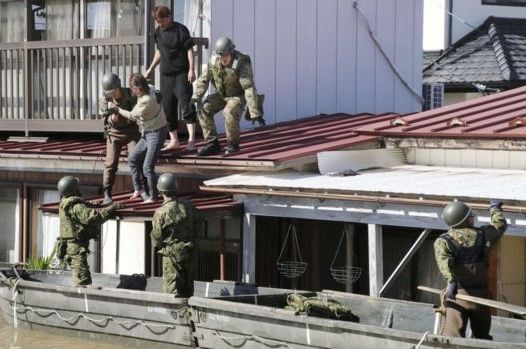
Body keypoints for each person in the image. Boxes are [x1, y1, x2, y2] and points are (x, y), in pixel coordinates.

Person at [434, 200, 507, 339]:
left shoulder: (442, 241)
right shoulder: (484, 235)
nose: (473, 218)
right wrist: (494, 209)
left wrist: (452, 280)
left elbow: (444, 262)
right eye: (471, 215)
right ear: (466, 220)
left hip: (456, 295)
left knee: (452, 338)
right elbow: (499, 224)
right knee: (482, 338)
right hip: (481, 297)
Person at [191, 36, 264, 156]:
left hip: (237, 96)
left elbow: (248, 88)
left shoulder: (241, 63)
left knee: (228, 112)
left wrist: (254, 111)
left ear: (231, 52)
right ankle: (212, 143)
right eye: (220, 56)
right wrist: (195, 97)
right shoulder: (214, 61)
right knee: (204, 109)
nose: (222, 59)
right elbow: (203, 80)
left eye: (225, 56)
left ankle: (233, 144)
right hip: (221, 94)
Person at [144, 5, 197, 152]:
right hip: (165, 75)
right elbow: (160, 51)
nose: (161, 24)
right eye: (158, 22)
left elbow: (189, 50)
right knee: (168, 109)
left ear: (169, 17)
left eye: (163, 21)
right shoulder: (157, 33)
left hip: (181, 73)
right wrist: (150, 69)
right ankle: (174, 141)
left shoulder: (181, 29)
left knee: (187, 106)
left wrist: (191, 70)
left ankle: (192, 140)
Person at [56, 176, 123, 287]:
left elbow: (80, 210)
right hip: (76, 248)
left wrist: (89, 204)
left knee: (80, 276)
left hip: (71, 246)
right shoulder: (76, 206)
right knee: (83, 280)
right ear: (74, 189)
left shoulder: (64, 202)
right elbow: (93, 218)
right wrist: (112, 208)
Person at [116, 73, 168, 203]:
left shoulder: (146, 100)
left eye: (135, 88)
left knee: (147, 167)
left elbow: (132, 115)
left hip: (157, 132)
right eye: (133, 88)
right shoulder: (150, 87)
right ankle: (138, 189)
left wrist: (117, 109)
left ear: (140, 87)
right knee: (132, 159)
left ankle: (153, 197)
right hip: (147, 132)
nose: (134, 90)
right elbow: (156, 90)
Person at [150, 172, 201, 296]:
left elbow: (156, 240)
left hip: (171, 257)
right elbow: (199, 222)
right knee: (188, 291)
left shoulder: (161, 212)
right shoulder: (188, 206)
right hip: (188, 254)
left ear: (160, 191)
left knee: (171, 293)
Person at [99, 72, 140, 205]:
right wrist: (114, 116)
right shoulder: (105, 100)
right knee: (110, 164)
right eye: (110, 92)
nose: (113, 94)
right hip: (114, 132)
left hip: (131, 131)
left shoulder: (130, 93)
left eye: (114, 91)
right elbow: (108, 120)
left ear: (119, 87)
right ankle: (107, 192)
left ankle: (140, 188)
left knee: (135, 158)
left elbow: (141, 103)